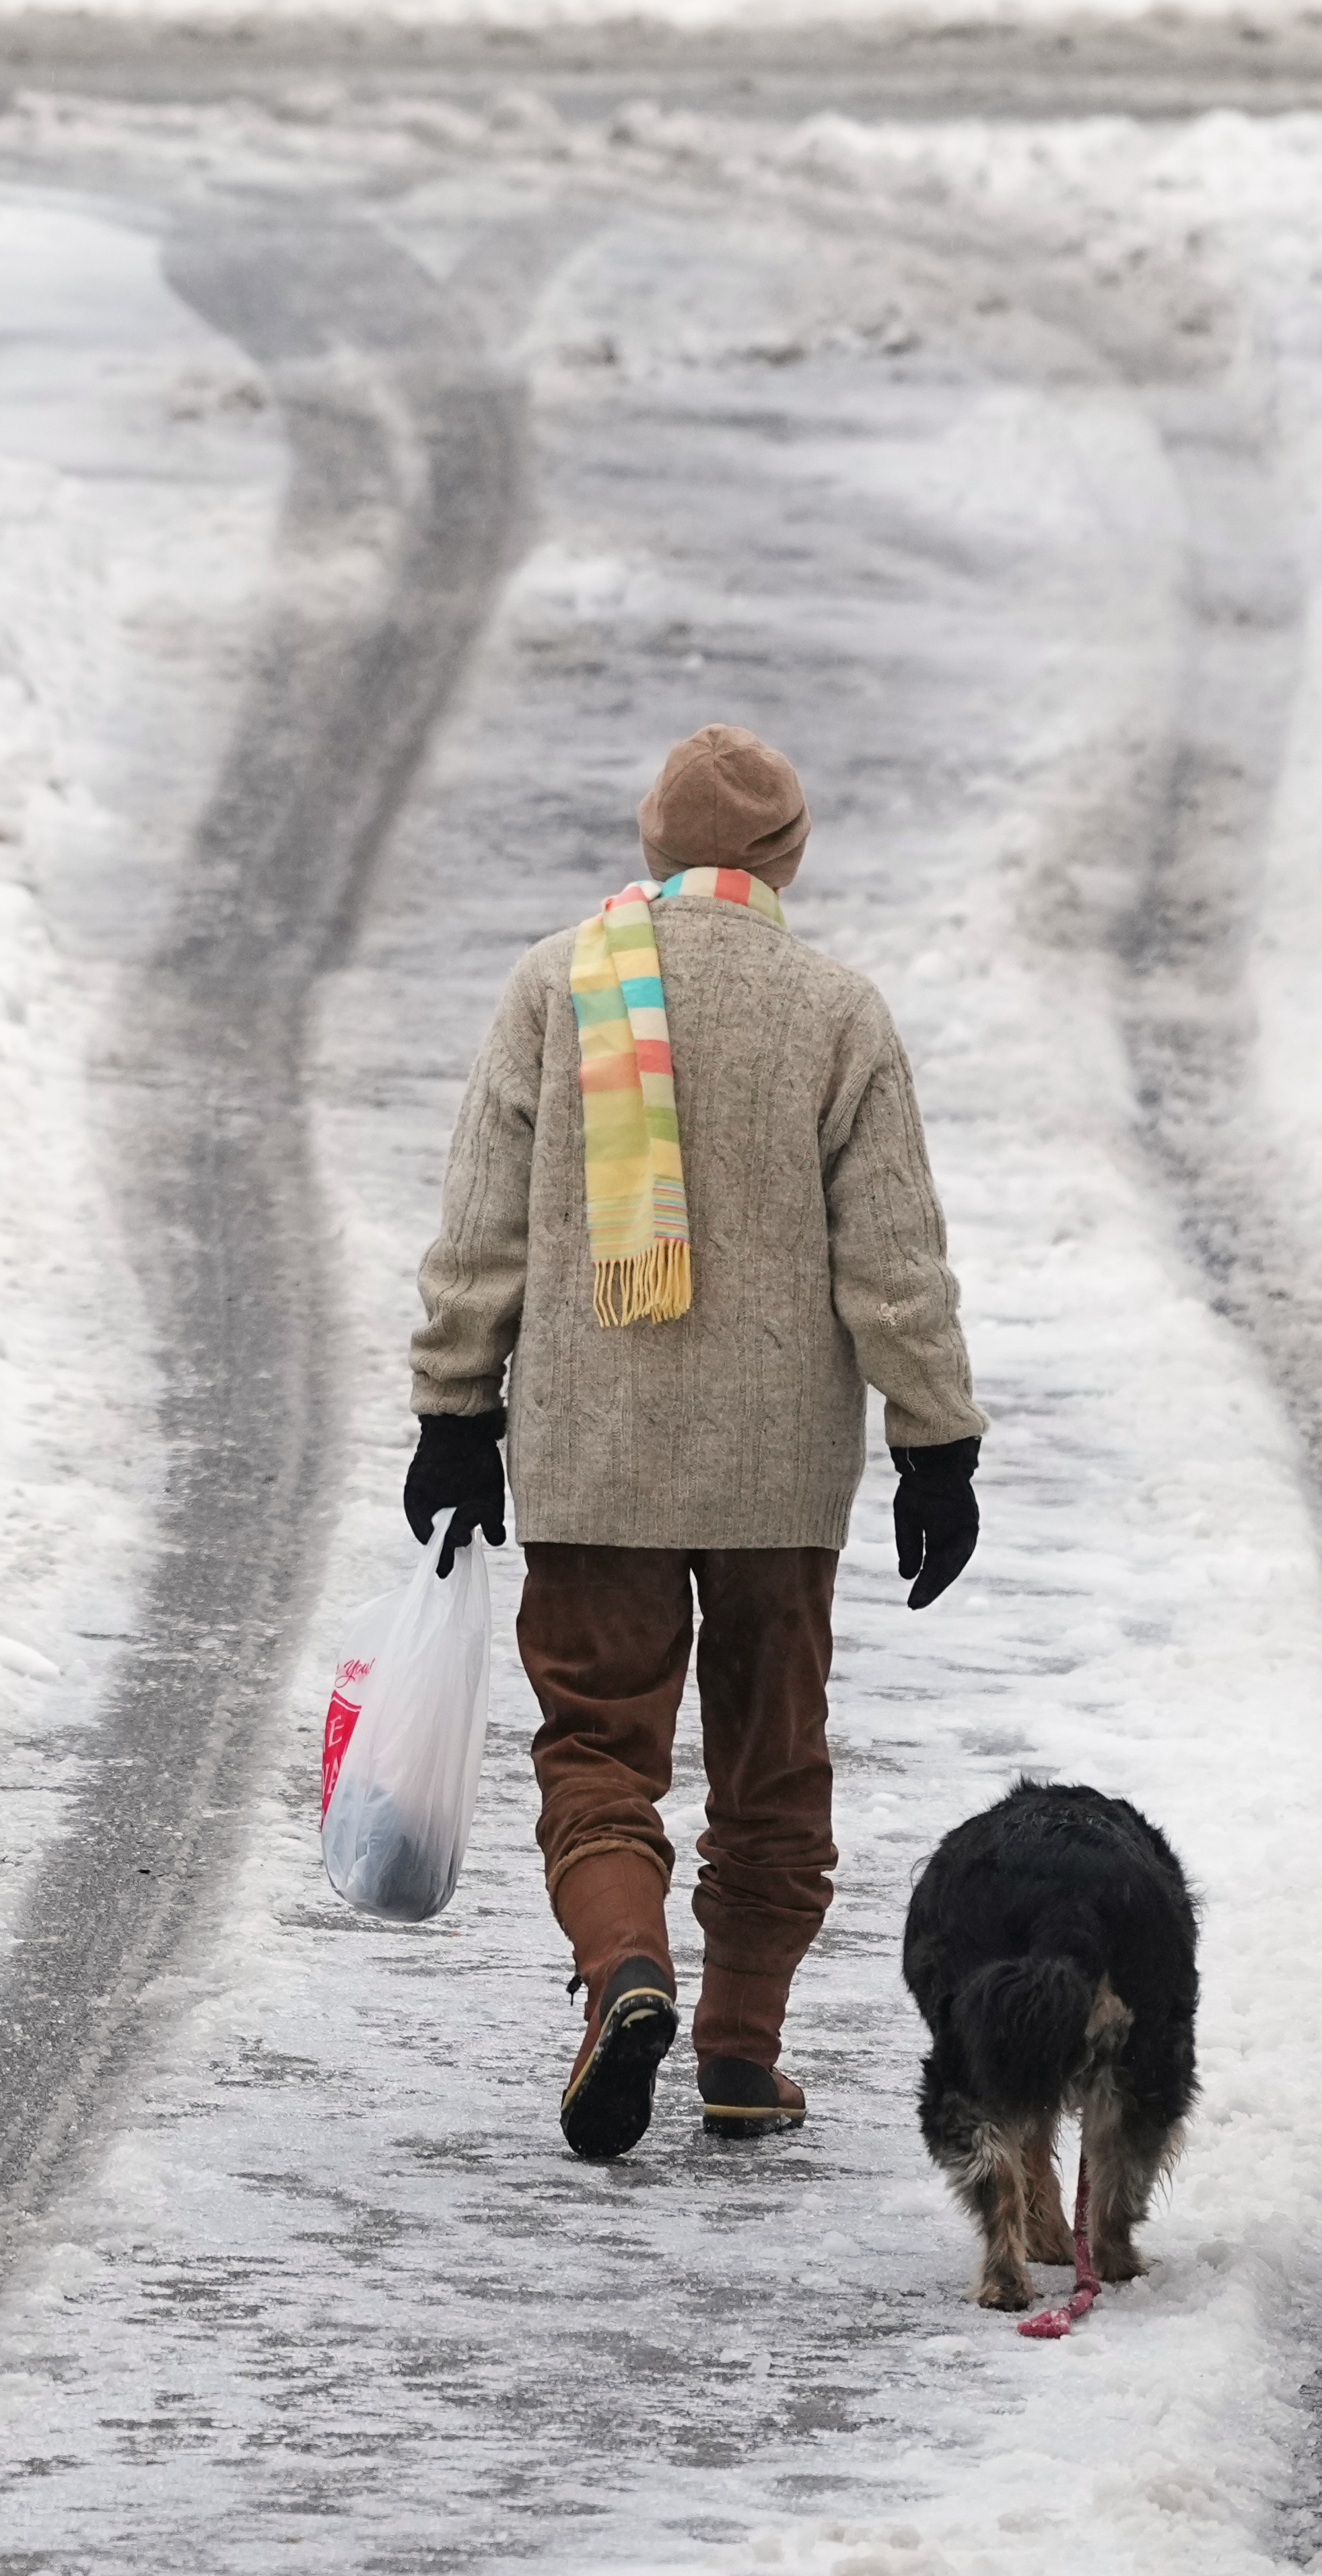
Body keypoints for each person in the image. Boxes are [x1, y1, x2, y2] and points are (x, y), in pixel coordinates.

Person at [404, 722, 981, 2161]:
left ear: (648, 848)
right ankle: (738, 2051)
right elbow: (894, 1260)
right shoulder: (832, 1008)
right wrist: (934, 1444)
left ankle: (622, 1972)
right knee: (770, 1767)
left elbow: (480, 1231)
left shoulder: (557, 986)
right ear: (785, 859)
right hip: (776, 1474)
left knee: (596, 1745)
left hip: (594, 1458)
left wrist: (452, 1414)